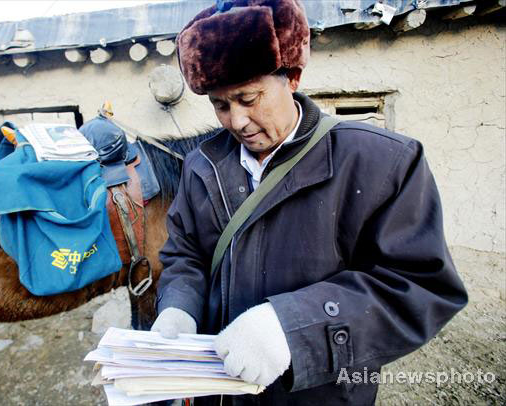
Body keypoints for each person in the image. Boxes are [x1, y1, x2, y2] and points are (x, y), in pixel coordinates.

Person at [151, 1, 468, 405]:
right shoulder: (201, 166)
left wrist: (292, 327)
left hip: (321, 394)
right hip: (221, 390)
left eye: (250, 98)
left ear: (293, 77)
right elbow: (186, 256)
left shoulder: (382, 162)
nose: (237, 122)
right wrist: (179, 308)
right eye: (220, 104)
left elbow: (420, 286)